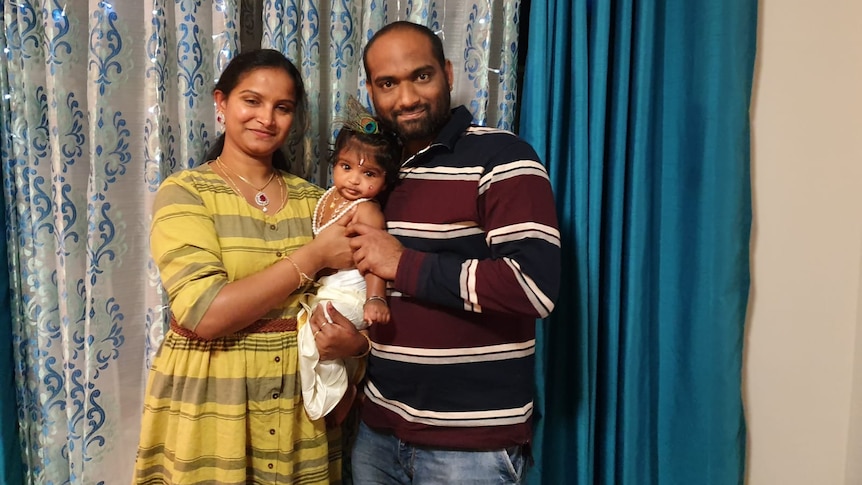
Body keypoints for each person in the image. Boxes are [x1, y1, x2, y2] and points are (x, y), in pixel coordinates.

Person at [306, 21, 562, 484]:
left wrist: (401, 263)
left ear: (446, 72)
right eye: (388, 83)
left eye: (420, 76)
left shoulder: (503, 157)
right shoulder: (378, 174)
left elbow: (533, 288)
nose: (405, 98)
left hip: (469, 448)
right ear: (370, 90)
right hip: (377, 434)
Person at [133, 49, 369, 485]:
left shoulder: (316, 202)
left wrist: (354, 353)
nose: (267, 118)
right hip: (210, 407)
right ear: (221, 103)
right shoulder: (186, 192)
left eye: (283, 108)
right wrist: (313, 256)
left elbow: (351, 294)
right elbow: (204, 313)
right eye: (252, 101)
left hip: (300, 409)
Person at [297, 95, 402, 424]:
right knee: (307, 334)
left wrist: (376, 297)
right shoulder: (328, 197)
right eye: (346, 167)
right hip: (332, 288)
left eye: (369, 173)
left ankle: (342, 395)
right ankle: (339, 389)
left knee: (314, 332)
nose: (355, 180)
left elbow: (375, 259)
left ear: (385, 180)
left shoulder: (367, 210)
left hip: (354, 293)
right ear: (333, 164)